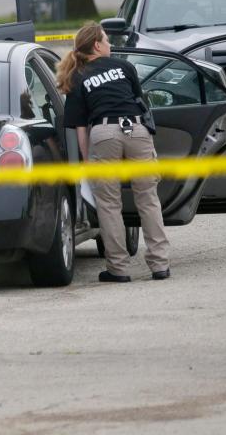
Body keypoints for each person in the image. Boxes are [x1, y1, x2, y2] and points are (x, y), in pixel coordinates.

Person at [57, 22, 170, 283]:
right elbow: (140, 104)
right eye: (107, 41)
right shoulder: (125, 67)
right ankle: (160, 265)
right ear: (97, 45)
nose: (109, 45)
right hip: (137, 130)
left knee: (109, 204)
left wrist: (87, 162)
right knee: (148, 199)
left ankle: (118, 269)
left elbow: (80, 127)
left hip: (103, 132)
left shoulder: (77, 76)